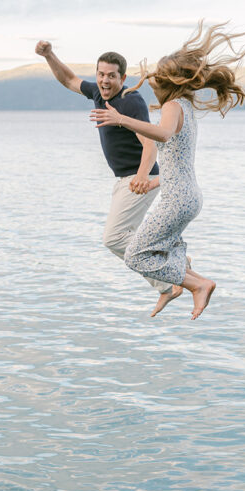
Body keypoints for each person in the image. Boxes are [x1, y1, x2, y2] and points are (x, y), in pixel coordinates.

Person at [89, 22, 245, 319]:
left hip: (177, 201)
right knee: (162, 248)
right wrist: (152, 184)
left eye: (157, 78)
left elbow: (162, 136)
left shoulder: (172, 106)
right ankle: (178, 278)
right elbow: (177, 159)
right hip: (187, 197)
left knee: (136, 255)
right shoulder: (187, 107)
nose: (151, 81)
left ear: (169, 82)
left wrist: (120, 119)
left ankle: (197, 284)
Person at [35, 40, 182, 313]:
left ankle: (172, 277)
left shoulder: (130, 101)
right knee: (128, 235)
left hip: (139, 179)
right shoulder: (98, 95)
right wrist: (49, 55)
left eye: (111, 76)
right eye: (101, 74)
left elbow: (150, 142)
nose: (104, 80)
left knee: (114, 238)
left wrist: (141, 175)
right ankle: (170, 268)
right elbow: (68, 79)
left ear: (122, 78)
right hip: (124, 180)